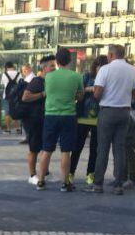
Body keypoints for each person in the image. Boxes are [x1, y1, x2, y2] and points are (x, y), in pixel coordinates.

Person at [85, 44, 135, 195]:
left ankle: (98, 184)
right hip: (124, 112)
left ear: (110, 55)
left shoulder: (105, 69)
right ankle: (118, 184)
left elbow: (97, 94)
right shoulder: (133, 70)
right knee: (119, 148)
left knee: (102, 148)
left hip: (107, 112)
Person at [36, 48, 84, 192]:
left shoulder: (48, 76)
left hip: (50, 115)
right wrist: (73, 97)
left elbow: (48, 92)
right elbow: (80, 96)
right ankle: (65, 183)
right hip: (68, 116)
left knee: (46, 150)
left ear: (56, 61)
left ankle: (41, 181)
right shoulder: (76, 77)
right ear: (70, 60)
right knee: (65, 151)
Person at [70, 55, 107, 186]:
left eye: (104, 68)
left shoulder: (107, 78)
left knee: (95, 149)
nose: (101, 70)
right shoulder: (87, 76)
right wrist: (89, 89)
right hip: (82, 116)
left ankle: (90, 173)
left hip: (99, 117)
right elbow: (77, 91)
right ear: (95, 67)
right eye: (99, 68)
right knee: (76, 146)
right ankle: (70, 172)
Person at [21, 56, 55, 184]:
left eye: (55, 65)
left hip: (45, 118)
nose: (54, 68)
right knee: (34, 149)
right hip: (34, 120)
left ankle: (44, 173)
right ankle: (32, 175)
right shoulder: (37, 81)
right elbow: (25, 97)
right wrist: (42, 94)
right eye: (52, 66)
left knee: (45, 148)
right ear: (44, 68)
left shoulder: (50, 81)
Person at [1, 62, 20, 134]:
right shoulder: (18, 74)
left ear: (6, 67)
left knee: (7, 113)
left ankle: (8, 129)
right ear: (13, 66)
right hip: (16, 96)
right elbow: (20, 83)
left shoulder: (4, 74)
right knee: (15, 112)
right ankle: (18, 129)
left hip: (6, 96)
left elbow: (3, 84)